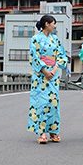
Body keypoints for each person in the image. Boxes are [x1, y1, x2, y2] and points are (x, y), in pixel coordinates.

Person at [27, 15, 68, 144]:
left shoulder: (55, 39)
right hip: (40, 75)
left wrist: (55, 69)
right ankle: (42, 132)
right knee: (41, 102)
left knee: (53, 102)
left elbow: (62, 55)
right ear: (46, 24)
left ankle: (54, 131)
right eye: (53, 23)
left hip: (53, 75)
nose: (54, 26)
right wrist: (44, 70)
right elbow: (34, 57)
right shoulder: (35, 39)